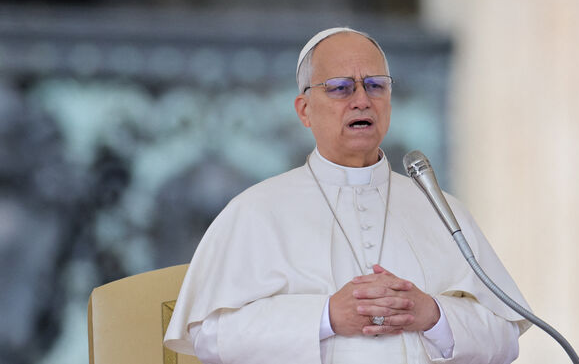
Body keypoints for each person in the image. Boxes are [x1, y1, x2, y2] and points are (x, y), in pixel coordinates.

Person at [164, 27, 530, 364]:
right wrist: (326, 317)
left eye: (375, 85)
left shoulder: (442, 210)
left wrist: (432, 315)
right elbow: (210, 337)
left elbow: (505, 336)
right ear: (304, 110)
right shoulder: (255, 211)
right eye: (340, 87)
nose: (361, 99)